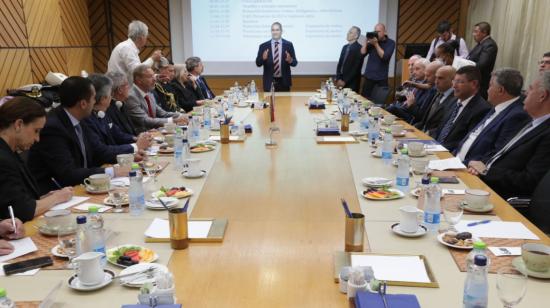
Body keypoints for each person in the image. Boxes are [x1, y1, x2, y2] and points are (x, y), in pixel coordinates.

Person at [28, 77, 129, 195]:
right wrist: (112, 172)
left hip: (80, 187)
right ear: (83, 104)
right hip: (56, 194)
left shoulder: (79, 118)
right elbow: (68, 174)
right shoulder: (53, 128)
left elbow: (98, 151)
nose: (94, 102)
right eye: (93, 98)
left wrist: (126, 159)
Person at [468, 71, 550, 200]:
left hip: (501, 197)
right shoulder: (529, 121)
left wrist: (487, 171)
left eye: (530, 89)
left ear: (542, 96)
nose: (525, 94)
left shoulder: (546, 133)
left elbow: (530, 181)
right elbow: (500, 153)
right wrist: (480, 165)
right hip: (482, 183)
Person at [0, 97, 73, 221]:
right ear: (19, 125)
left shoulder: (10, 152)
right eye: (36, 131)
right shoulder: (3, 159)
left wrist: (45, 199)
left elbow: (20, 199)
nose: (37, 139)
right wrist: (57, 197)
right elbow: (21, 210)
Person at [455, 68, 529, 164]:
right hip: (457, 159)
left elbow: (496, 152)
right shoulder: (497, 106)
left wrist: (464, 164)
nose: (487, 90)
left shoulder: (516, 116)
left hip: (470, 168)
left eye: (490, 86)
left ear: (501, 90)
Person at [83, 74, 152, 165]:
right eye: (110, 95)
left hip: (112, 162)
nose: (112, 98)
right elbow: (101, 151)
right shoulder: (86, 119)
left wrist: (136, 139)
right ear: (103, 99)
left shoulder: (102, 112)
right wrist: (135, 146)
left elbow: (117, 133)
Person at [432, 66, 491, 152]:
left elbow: (465, 142)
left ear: (474, 84)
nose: (454, 86)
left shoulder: (482, 110)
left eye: (459, 82)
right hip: (435, 147)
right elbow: (441, 127)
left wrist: (439, 150)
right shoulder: (453, 101)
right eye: (454, 81)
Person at [125, 64, 188, 133]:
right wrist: (173, 121)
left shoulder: (148, 92)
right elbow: (144, 120)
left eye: (153, 75)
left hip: (155, 132)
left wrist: (182, 115)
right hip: (140, 136)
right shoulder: (131, 96)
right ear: (139, 80)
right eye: (150, 76)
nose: (155, 79)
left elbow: (163, 114)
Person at [415, 65, 457, 135]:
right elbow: (426, 120)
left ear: (452, 80)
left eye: (440, 78)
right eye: (436, 77)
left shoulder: (455, 99)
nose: (436, 82)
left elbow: (445, 127)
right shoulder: (438, 93)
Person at [255, 22, 298, 92]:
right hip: (269, 82)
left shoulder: (288, 45)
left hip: (284, 82)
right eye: (273, 30)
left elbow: (295, 63)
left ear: (281, 31)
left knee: (285, 103)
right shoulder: (263, 46)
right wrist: (263, 58)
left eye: (277, 30)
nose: (275, 32)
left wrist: (290, 60)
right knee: (269, 103)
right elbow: (258, 63)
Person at [360, 23, 395, 98]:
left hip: (381, 79)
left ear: (385, 32)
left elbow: (384, 57)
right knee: (364, 100)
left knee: (379, 103)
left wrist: (376, 44)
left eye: (378, 31)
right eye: (375, 31)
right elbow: (362, 54)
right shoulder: (372, 42)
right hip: (369, 77)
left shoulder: (391, 43)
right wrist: (366, 42)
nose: (376, 33)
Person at [467, 22, 498, 99]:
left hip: (480, 84)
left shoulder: (489, 45)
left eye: (476, 32)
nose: (473, 34)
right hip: (473, 80)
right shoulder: (481, 43)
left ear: (484, 33)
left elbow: (482, 64)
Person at [105, 71, 138, 136]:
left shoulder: (122, 103)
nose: (129, 87)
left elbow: (131, 130)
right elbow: (118, 136)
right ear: (120, 90)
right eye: (127, 84)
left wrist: (144, 134)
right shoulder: (108, 109)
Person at [335, 26, 364, 92]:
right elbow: (340, 64)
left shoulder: (360, 48)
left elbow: (356, 68)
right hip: (340, 81)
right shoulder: (345, 47)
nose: (347, 33)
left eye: (350, 32)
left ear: (356, 36)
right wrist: (338, 78)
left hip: (351, 83)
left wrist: (345, 81)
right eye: (348, 32)